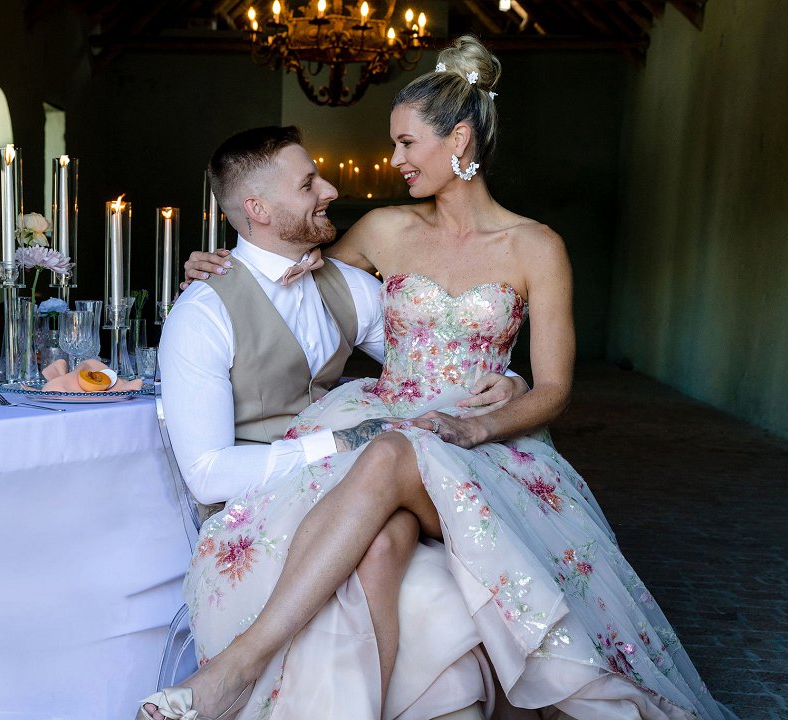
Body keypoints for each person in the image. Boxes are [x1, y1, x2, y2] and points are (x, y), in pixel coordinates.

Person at [148, 36, 738, 720]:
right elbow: (295, 276)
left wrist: (492, 407)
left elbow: (555, 389)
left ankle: (235, 670)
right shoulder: (382, 230)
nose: (393, 159)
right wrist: (222, 266)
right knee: (382, 539)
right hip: (392, 420)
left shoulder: (537, 247)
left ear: (458, 140)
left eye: (406, 142)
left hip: (485, 445)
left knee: (391, 452)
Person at [152, 125, 525, 720]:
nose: (329, 190)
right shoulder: (202, 313)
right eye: (308, 184)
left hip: (358, 493)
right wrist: (337, 445)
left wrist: (511, 382)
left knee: (398, 545)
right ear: (258, 209)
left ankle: (249, 677)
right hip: (259, 508)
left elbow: (433, 367)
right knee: (424, 586)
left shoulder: (348, 286)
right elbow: (206, 475)